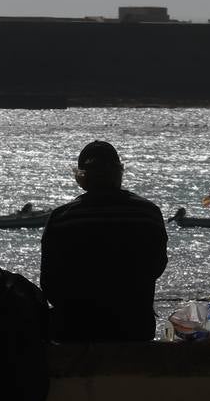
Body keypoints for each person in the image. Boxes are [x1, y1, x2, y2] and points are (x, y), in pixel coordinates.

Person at [40, 140, 168, 341]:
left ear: (81, 177)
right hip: (135, 326)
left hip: (74, 327)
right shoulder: (147, 213)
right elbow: (156, 266)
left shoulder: (62, 217)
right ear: (119, 172)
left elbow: (49, 283)